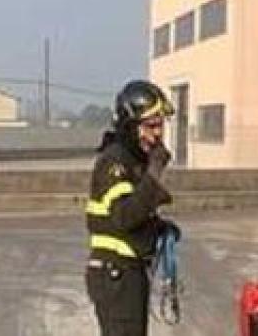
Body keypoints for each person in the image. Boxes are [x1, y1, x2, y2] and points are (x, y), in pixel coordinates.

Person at [85, 79, 178, 336]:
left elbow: (135, 215)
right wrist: (155, 172)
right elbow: (125, 216)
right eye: (150, 126)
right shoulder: (115, 162)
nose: (158, 133)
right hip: (116, 276)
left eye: (160, 126)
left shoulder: (133, 161)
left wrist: (158, 228)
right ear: (130, 125)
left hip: (128, 274)